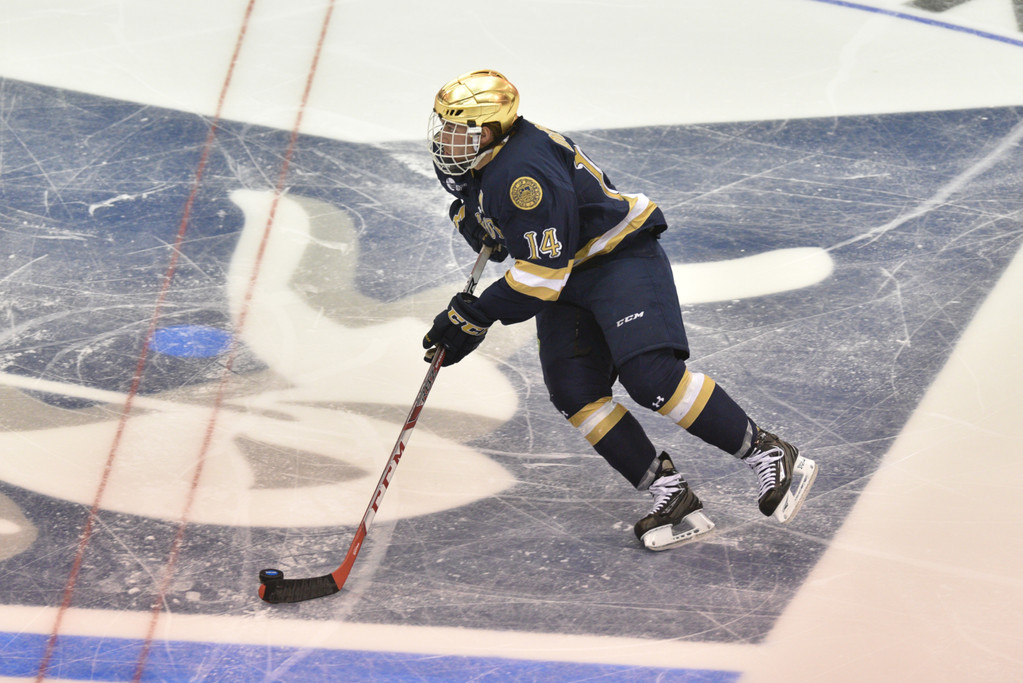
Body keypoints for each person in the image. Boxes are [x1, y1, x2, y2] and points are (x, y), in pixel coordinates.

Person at [421, 69, 818, 550]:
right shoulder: (488, 161)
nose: (444, 139)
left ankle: (767, 451)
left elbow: (542, 275)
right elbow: (518, 243)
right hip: (571, 274)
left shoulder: (523, 172)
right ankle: (671, 493)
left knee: (651, 378)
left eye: (456, 130)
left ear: (489, 131)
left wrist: (476, 314)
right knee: (574, 391)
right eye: (442, 126)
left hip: (618, 259)